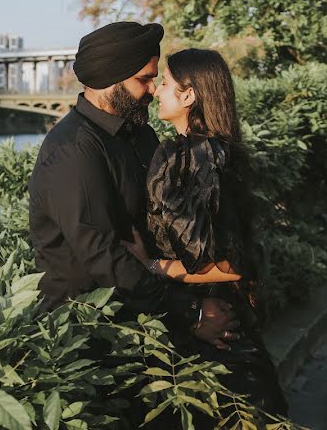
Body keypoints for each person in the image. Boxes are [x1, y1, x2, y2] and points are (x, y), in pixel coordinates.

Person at [27, 21, 240, 361]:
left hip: (145, 316)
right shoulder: (73, 150)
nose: (153, 89)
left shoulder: (139, 135)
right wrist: (191, 313)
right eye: (144, 79)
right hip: (88, 337)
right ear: (110, 80)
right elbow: (101, 255)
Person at [122, 48, 288, 416]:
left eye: (164, 83)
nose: (156, 91)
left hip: (214, 328)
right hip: (219, 320)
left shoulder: (193, 156)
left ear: (189, 96)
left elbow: (230, 264)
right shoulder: (217, 150)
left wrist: (152, 266)